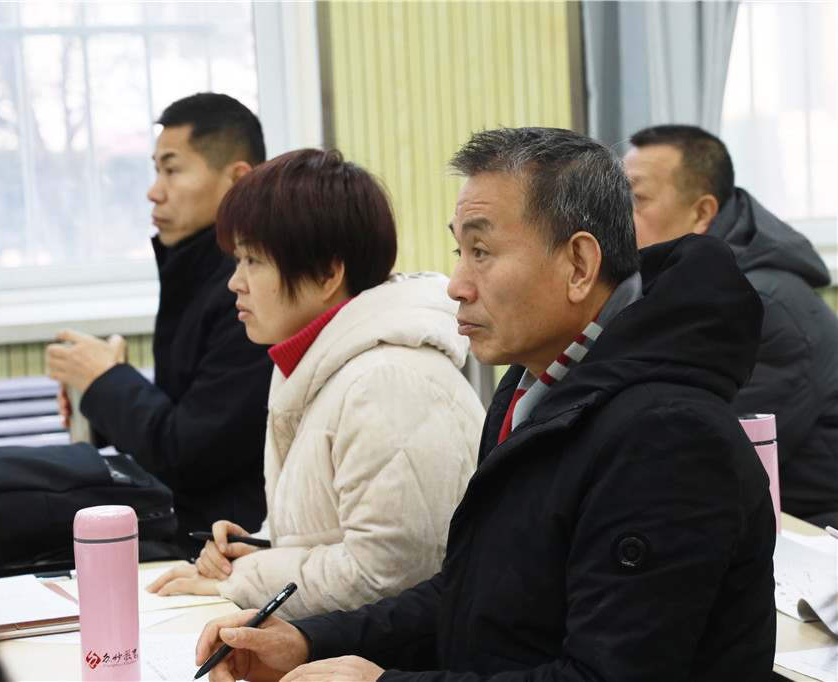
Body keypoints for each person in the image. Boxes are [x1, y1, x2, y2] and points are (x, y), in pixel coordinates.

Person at [191, 127, 777, 682]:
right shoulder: (532, 388)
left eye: (482, 251)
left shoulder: (665, 437)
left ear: (578, 266)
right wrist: (308, 641)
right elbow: (472, 595)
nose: (456, 284)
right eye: (459, 250)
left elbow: (606, 675)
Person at [147, 148, 485, 619]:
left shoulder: (388, 382)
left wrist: (244, 579)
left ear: (328, 273)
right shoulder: (322, 365)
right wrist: (254, 548)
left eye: (253, 261)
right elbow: (330, 532)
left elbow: (387, 575)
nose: (235, 283)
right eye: (237, 260)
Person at [45, 93, 273, 551]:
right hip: (182, 522)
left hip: (221, 540)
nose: (154, 191)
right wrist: (101, 396)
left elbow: (190, 456)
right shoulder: (193, 269)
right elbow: (190, 413)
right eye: (156, 170)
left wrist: (109, 382)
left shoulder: (251, 289)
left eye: (172, 170)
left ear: (237, 179)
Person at [624, 124, 838, 527]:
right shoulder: (675, 287)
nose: (616, 216)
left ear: (701, 212)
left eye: (635, 198)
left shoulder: (758, 304)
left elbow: (708, 452)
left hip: (808, 530)